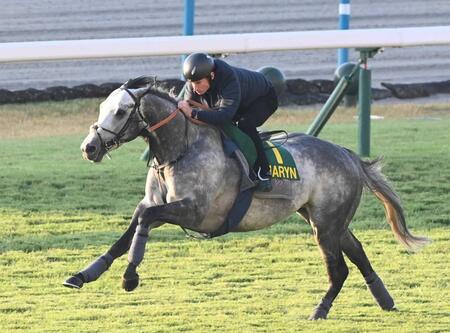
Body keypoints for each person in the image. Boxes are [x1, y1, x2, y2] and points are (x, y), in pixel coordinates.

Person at [177, 53, 278, 192]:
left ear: (211, 76)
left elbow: (223, 116)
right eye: (191, 83)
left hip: (263, 98)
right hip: (238, 100)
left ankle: (264, 172)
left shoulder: (228, 78)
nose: (194, 88)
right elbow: (190, 115)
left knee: (244, 124)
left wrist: (193, 112)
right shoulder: (194, 83)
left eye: (198, 83)